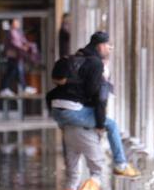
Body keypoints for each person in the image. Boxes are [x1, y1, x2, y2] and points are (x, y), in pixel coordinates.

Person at [48, 32, 139, 177]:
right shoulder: (96, 64)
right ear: (100, 46)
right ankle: (121, 164)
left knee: (72, 170)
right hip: (72, 111)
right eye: (109, 45)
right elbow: (98, 98)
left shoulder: (77, 58)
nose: (110, 48)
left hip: (57, 109)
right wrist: (100, 124)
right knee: (112, 125)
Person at [59, 125, 105, 190]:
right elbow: (99, 111)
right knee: (97, 173)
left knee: (72, 175)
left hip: (68, 131)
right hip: (88, 131)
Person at [0, 18, 37, 97]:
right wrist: (23, 47)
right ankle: (6, 89)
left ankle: (18, 88)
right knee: (14, 71)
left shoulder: (17, 32)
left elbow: (23, 41)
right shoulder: (11, 32)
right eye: (16, 22)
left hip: (17, 55)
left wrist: (27, 45)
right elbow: (15, 43)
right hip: (13, 55)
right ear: (12, 23)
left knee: (15, 72)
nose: (18, 24)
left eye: (18, 22)